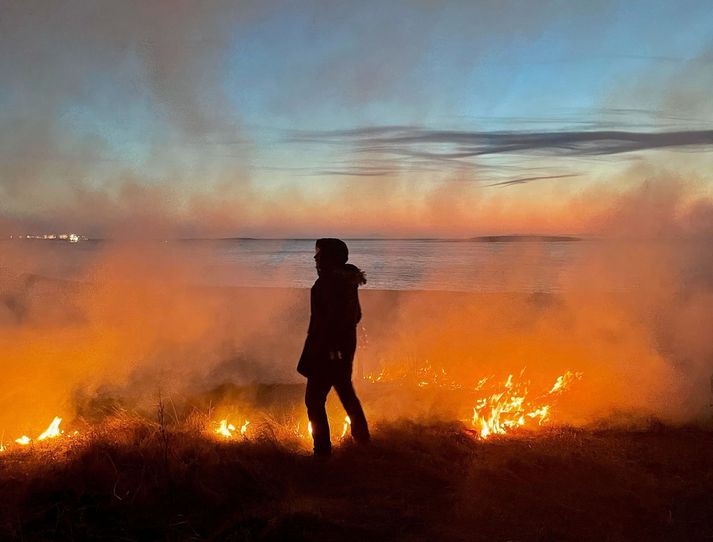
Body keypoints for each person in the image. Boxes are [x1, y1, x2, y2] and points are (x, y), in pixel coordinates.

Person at [298, 238, 370, 456]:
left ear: (330, 258)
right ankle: (364, 443)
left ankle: (322, 452)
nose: (315, 258)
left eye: (319, 254)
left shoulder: (328, 284)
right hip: (340, 350)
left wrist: (331, 349)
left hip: (327, 352)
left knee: (314, 400)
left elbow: (331, 322)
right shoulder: (346, 283)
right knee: (346, 394)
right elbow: (355, 316)